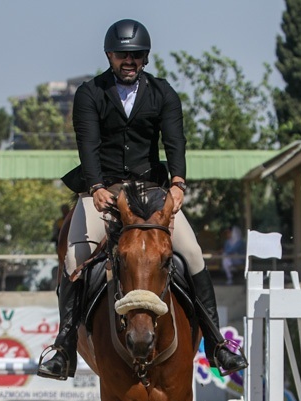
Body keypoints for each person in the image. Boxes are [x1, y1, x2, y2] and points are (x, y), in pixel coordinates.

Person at [38, 19, 246, 381]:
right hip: (101, 192)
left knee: (193, 253)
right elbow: (86, 145)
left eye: (135, 55)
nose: (128, 61)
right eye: (122, 55)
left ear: (146, 58)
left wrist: (178, 183)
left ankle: (216, 345)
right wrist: (97, 186)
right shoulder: (90, 93)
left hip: (150, 193)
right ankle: (64, 348)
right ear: (109, 55)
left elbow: (174, 142)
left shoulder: (163, 93)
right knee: (76, 257)